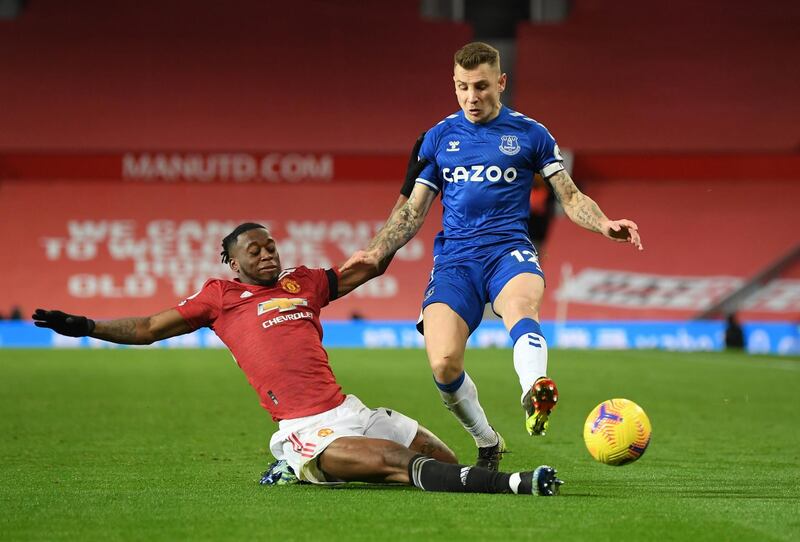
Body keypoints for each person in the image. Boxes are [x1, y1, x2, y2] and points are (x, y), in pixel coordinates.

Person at [32, 223, 562, 496]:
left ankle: (300, 472)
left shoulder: (302, 284)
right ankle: (516, 484)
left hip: (349, 409)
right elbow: (149, 329)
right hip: (305, 426)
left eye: (271, 246)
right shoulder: (218, 297)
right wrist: (86, 327)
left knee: (444, 466)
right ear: (232, 261)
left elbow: (367, 267)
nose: (267, 254)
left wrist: (407, 219)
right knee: (396, 463)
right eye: (255, 251)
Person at [345, 42, 643, 470]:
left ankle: (533, 387)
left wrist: (604, 224)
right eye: (462, 87)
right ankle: (487, 442)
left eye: (481, 86)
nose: (471, 97)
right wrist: (375, 250)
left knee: (521, 305)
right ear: (454, 84)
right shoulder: (439, 138)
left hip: (509, 251)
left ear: (500, 83)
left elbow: (571, 197)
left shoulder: (530, 134)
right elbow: (412, 211)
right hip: (456, 262)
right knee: (444, 364)